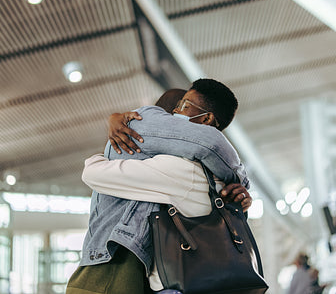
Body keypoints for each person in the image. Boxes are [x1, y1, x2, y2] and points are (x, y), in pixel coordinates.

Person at [66, 79, 252, 294]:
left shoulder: (181, 169)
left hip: (109, 270)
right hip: (162, 276)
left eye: (183, 105)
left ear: (207, 119)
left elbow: (92, 173)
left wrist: (101, 156)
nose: (175, 114)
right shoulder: (218, 179)